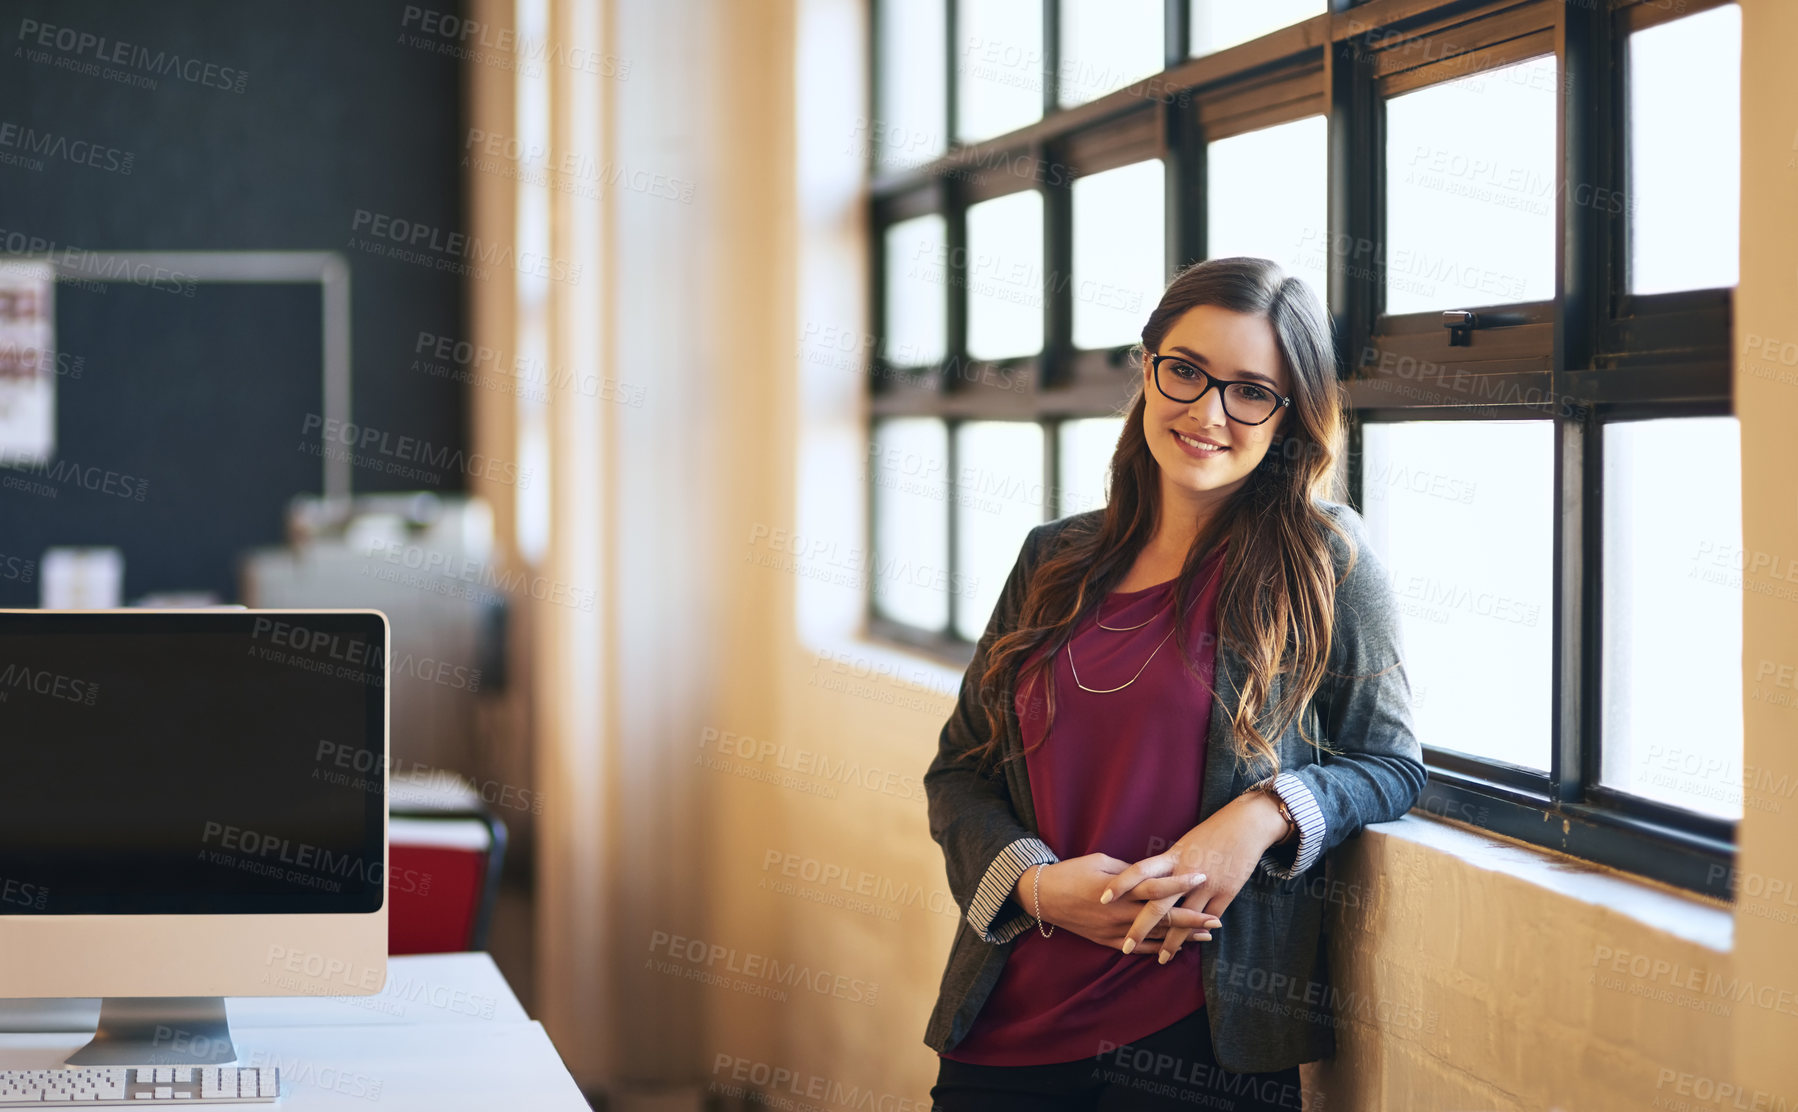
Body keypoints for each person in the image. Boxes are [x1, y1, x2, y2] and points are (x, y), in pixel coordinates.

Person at [921, 256, 1426, 1110]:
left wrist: (1259, 816)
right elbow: (960, 773)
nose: (1207, 412)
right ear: (1148, 366)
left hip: (1200, 1045)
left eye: (1250, 391)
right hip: (1005, 1033)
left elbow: (1391, 763)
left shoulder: (1325, 558)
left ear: (1288, 417)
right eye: (1185, 371)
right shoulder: (1054, 558)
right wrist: (1039, 886)